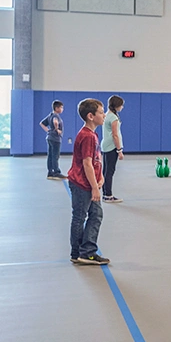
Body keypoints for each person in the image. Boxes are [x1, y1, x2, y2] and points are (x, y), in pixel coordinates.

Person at [68, 98, 109, 265]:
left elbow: (95, 161)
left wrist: (101, 177)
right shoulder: (86, 136)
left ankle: (86, 251)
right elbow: (86, 163)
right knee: (80, 216)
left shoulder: (93, 135)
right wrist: (94, 187)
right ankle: (80, 252)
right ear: (91, 116)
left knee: (96, 214)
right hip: (82, 184)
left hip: (89, 183)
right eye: (101, 112)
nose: (104, 115)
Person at [101, 95, 125, 203]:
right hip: (111, 146)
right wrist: (119, 150)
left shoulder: (106, 115)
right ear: (116, 106)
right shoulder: (114, 118)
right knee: (110, 171)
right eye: (121, 105)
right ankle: (108, 195)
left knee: (105, 170)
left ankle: (105, 193)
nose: (122, 107)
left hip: (105, 145)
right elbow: (115, 135)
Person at [39, 100, 67, 179]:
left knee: (50, 155)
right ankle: (56, 172)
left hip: (50, 137)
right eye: (61, 107)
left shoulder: (50, 115)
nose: (62, 109)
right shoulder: (56, 116)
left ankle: (50, 172)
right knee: (55, 156)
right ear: (56, 108)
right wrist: (57, 128)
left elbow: (41, 123)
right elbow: (55, 122)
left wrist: (48, 130)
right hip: (55, 138)